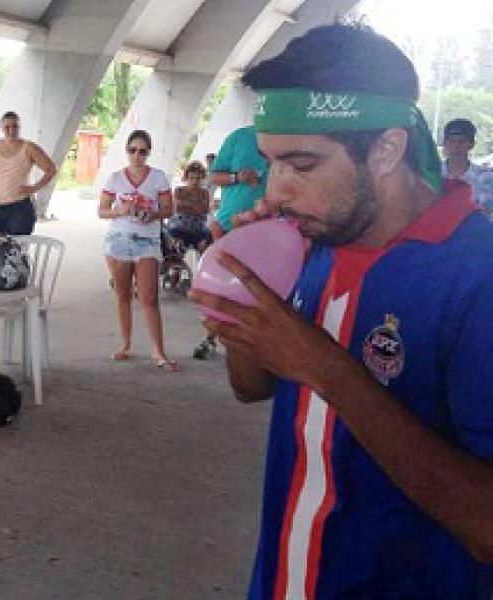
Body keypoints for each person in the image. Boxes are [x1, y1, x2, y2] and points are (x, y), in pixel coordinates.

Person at [189, 23, 493, 599]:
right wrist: (243, 306)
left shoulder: (477, 275)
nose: (274, 193)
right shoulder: (313, 244)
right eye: (270, 163)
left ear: (387, 149)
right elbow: (251, 388)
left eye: (302, 165)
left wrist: (324, 367)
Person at [98, 129, 178, 372]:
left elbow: (168, 209)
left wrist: (153, 214)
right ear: (127, 151)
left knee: (149, 297)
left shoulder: (158, 178)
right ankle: (125, 344)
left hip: (147, 241)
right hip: (119, 240)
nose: (137, 155)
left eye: (142, 151)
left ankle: (158, 350)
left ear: (148, 153)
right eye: (133, 150)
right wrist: (120, 211)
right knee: (122, 295)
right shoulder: (115, 178)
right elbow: (102, 210)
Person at [192, 128, 268, 360]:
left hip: (268, 228)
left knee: (259, 289)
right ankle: (211, 336)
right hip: (227, 226)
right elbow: (213, 177)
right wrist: (237, 177)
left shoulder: (288, 138)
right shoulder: (239, 137)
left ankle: (254, 346)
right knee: (222, 284)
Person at [0, 111, 57, 235]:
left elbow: (51, 169)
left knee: (18, 245)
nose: (11, 130)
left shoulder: (29, 148)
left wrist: (35, 188)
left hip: (18, 208)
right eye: (7, 127)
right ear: (2, 128)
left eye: (15, 126)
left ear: (19, 127)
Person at [441, 117, 493, 214]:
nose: (456, 146)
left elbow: (487, 212)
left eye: (462, 141)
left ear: (471, 144)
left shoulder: (486, 177)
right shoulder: (433, 174)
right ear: (444, 143)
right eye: (451, 141)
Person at [167, 160, 212, 254]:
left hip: (198, 230)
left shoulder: (205, 193)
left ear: (202, 178)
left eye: (198, 178)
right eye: (192, 178)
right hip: (178, 228)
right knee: (175, 245)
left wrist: (187, 204)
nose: (195, 181)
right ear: (186, 177)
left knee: (207, 240)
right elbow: (178, 207)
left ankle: (202, 262)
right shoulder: (179, 190)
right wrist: (195, 206)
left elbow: (204, 210)